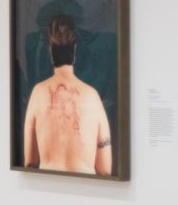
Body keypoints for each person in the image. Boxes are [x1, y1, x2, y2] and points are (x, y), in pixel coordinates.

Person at [23, 13, 112, 176]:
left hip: (47, 191)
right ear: (75, 49)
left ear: (50, 51)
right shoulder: (92, 96)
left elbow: (30, 163)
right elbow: (105, 169)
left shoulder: (38, 93)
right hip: (87, 193)